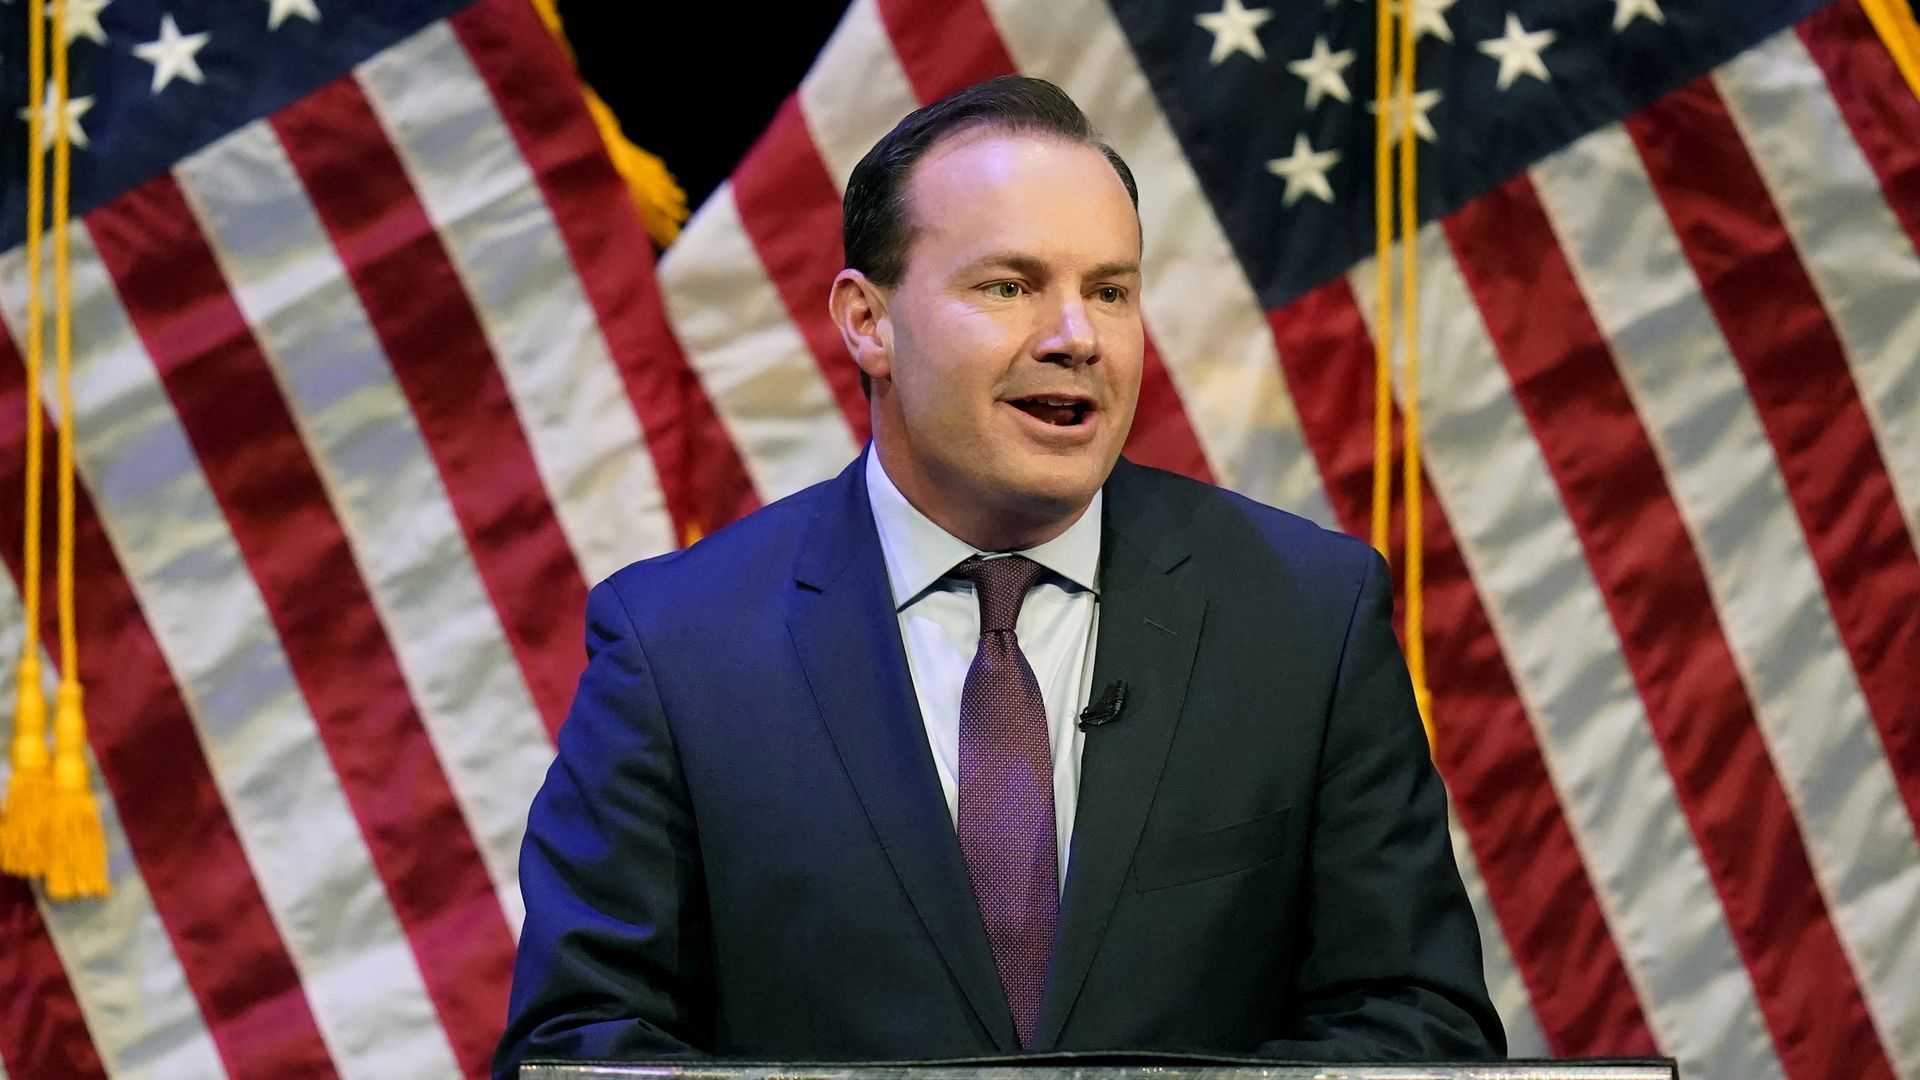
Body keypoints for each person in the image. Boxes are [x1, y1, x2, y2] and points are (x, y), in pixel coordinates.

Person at [493, 76, 1503, 1077]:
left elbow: (1415, 1022)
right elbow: (584, 1046)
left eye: (1109, 290)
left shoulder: (1309, 617)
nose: (1076, 337)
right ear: (867, 322)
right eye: (1010, 286)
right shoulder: (677, 648)